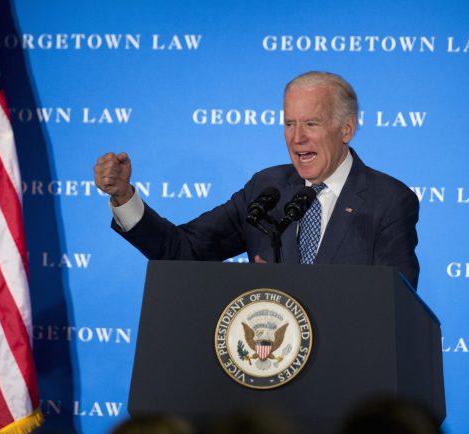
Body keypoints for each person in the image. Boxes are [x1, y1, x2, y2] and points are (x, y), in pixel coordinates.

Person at [93, 71, 420, 288]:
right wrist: (124, 197)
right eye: (289, 124)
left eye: (311, 124)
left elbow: (393, 306)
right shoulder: (268, 189)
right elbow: (183, 252)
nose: (297, 138)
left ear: (346, 129)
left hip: (347, 379)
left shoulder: (388, 200)